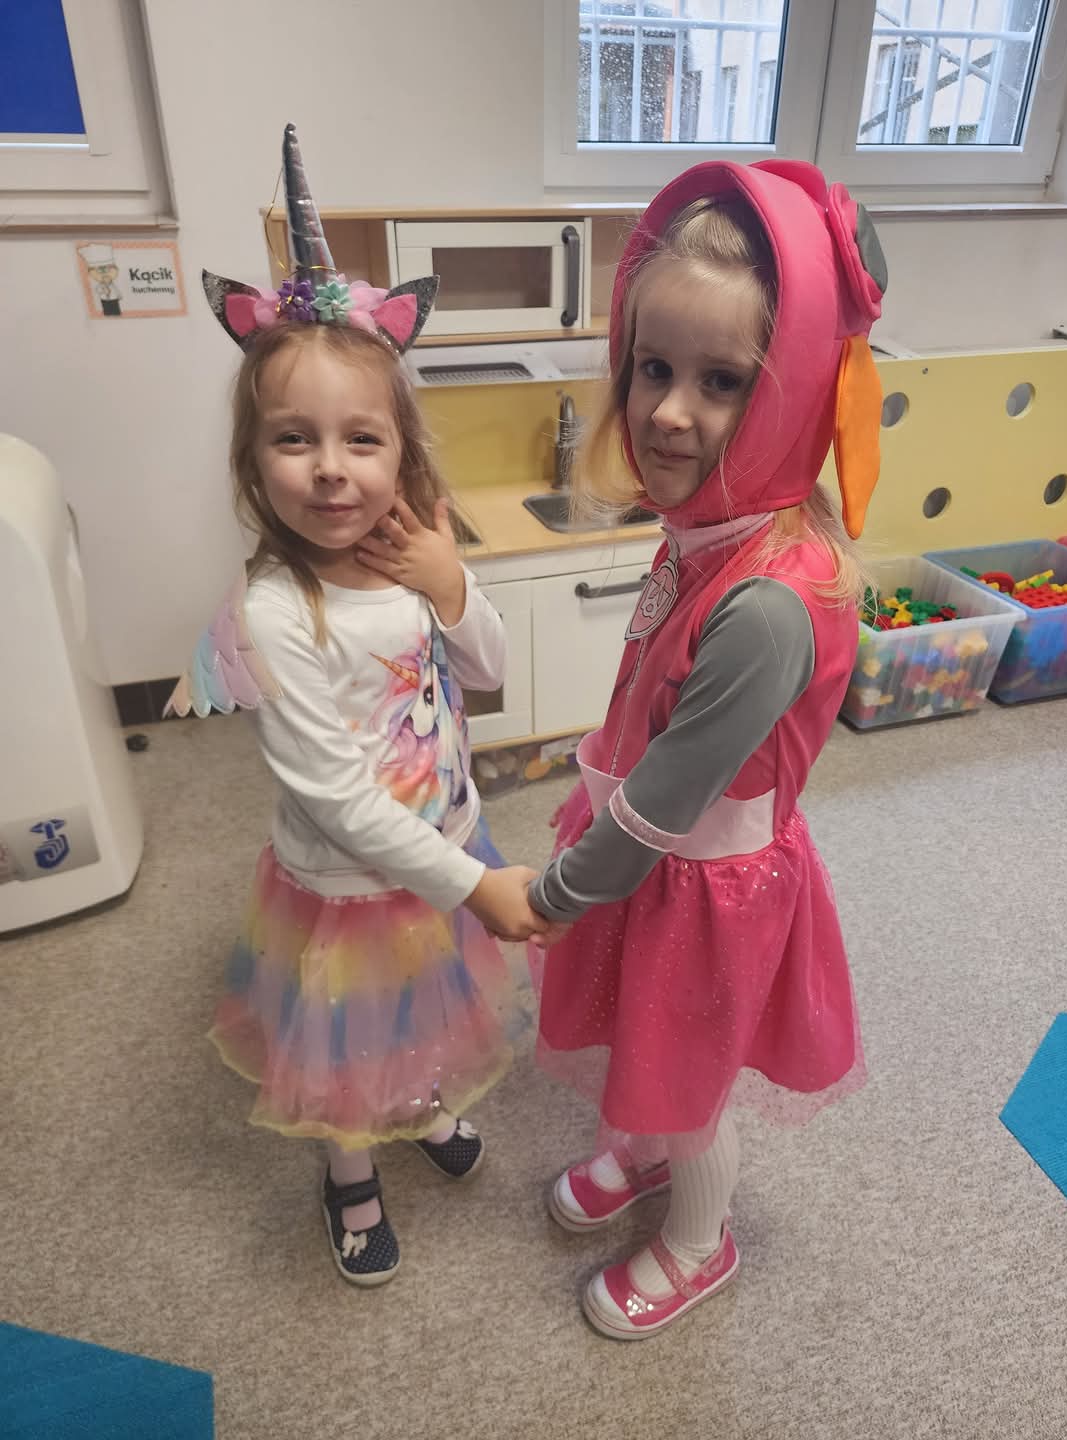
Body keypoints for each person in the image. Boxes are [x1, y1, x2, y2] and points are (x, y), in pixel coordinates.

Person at [169, 125, 545, 1286]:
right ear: (255, 462)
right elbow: (335, 798)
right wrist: (472, 886)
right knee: (342, 1052)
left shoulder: (407, 558)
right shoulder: (274, 612)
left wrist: (453, 583)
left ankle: (420, 1106)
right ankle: (348, 1174)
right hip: (347, 887)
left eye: (361, 439)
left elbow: (490, 670)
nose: (332, 467)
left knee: (421, 1016)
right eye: (296, 439)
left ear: (399, 452)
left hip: (444, 844)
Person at [527, 159, 888, 1338]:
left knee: (690, 1086)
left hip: (701, 881)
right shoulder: (712, 526)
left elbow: (666, 804)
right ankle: (638, 1149)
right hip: (658, 861)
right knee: (650, 1042)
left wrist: (558, 891)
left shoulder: (770, 602)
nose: (670, 412)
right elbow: (652, 707)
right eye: (654, 368)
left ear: (793, 395)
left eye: (723, 381)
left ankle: (698, 1241)